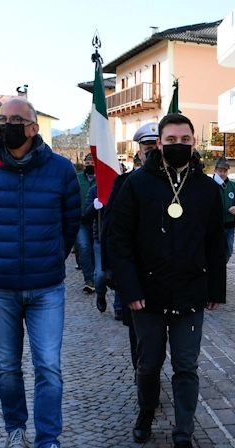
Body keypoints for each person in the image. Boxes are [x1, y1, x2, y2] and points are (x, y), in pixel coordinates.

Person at [0, 98, 80, 448]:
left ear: (33, 127)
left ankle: (49, 444)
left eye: (16, 119)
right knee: (7, 366)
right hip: (0, 287)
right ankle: (15, 430)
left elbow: (70, 222)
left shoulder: (60, 170)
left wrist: (52, 255)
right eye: (3, 118)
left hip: (47, 287)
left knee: (49, 366)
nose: (8, 124)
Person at [108, 113, 226, 448]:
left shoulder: (207, 189)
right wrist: (129, 289)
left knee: (186, 367)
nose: (178, 145)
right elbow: (118, 240)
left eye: (184, 140)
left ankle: (183, 437)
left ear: (194, 143)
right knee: (148, 364)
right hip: (147, 294)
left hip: (190, 293)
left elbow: (215, 242)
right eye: (171, 140)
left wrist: (215, 287)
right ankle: (146, 410)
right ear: (158, 144)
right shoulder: (135, 184)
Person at [101, 122, 159, 367]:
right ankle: (144, 379)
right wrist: (110, 269)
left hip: (169, 275)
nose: (154, 153)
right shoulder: (125, 183)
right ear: (139, 152)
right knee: (140, 335)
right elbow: (110, 229)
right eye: (148, 148)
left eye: (158, 147)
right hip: (137, 272)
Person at [83, 182, 121, 318]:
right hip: (100, 238)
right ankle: (100, 293)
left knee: (120, 272)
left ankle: (118, 306)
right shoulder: (95, 190)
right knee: (100, 275)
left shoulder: (122, 186)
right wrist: (94, 205)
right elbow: (87, 214)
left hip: (118, 238)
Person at [213, 156, 235, 263]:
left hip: (229, 225)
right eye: (220, 171)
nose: (222, 174)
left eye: (224, 171)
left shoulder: (234, 186)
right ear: (215, 171)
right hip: (214, 225)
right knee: (214, 250)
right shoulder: (210, 186)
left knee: (228, 250)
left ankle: (223, 266)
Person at [76, 153, 96, 293]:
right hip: (81, 220)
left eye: (92, 163)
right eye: (87, 163)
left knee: (95, 249)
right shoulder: (77, 179)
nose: (90, 165)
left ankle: (95, 274)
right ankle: (88, 279)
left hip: (96, 220)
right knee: (84, 247)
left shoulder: (101, 179)